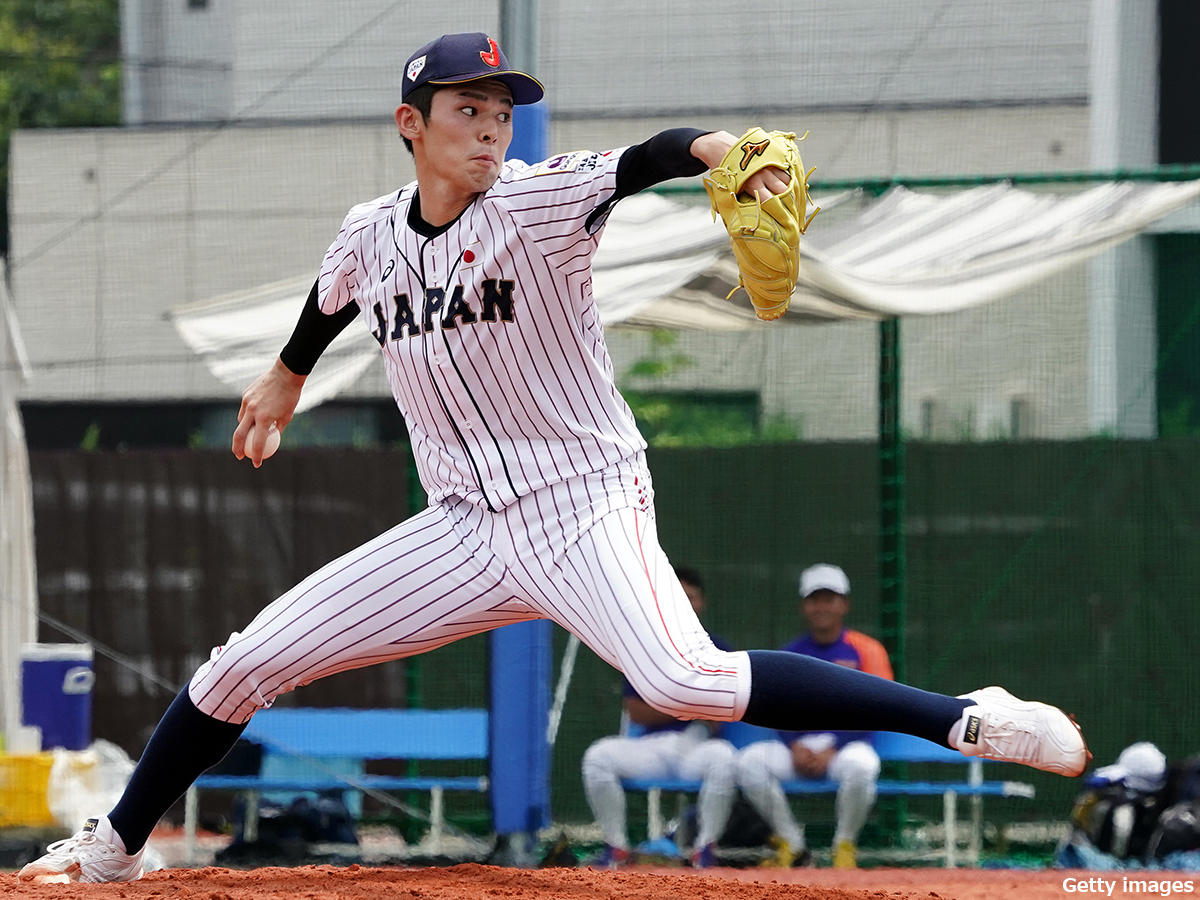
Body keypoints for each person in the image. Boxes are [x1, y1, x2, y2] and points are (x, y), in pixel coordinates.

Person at [19, 32, 1088, 884]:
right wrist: (289, 373)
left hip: (583, 502)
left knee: (683, 677)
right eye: (466, 111)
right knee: (245, 662)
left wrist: (722, 153)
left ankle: (966, 718)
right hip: (461, 528)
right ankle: (115, 845)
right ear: (412, 125)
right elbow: (333, 292)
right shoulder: (370, 230)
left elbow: (646, 157)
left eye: (499, 111)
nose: (491, 129)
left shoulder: (535, 202)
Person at [736, 564, 892, 869]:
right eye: (815, 599)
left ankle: (843, 847)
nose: (822, 607)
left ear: (844, 604)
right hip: (799, 749)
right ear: (804, 606)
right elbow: (774, 707)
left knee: (863, 767)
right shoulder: (790, 652)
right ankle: (794, 848)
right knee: (749, 763)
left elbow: (880, 708)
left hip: (843, 749)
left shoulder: (867, 650)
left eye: (830, 598)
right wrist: (795, 745)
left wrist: (833, 746)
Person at [582, 566, 737, 869]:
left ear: (701, 602)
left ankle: (704, 850)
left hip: (696, 747)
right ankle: (617, 848)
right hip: (652, 747)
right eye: (675, 595)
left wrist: (667, 699)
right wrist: (690, 701)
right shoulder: (644, 645)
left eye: (690, 596)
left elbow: (720, 716)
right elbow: (636, 710)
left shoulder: (719, 649)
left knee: (725, 759)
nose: (683, 602)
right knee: (598, 757)